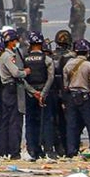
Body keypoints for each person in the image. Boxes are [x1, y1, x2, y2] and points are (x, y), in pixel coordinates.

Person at [0, 29, 32, 159]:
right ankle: (14, 152)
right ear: (11, 42)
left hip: (5, 91)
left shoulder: (1, 56)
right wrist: (25, 72)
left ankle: (3, 150)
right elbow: (16, 73)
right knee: (15, 121)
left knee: (5, 122)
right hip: (11, 90)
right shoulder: (8, 56)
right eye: (15, 41)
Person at [63, 39, 90, 157]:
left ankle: (71, 150)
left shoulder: (68, 65)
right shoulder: (89, 66)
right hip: (86, 97)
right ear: (87, 53)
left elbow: (65, 85)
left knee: (71, 125)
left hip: (71, 97)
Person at [24, 32, 56, 160]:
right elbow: (51, 77)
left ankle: (32, 149)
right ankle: (48, 149)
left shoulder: (25, 59)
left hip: (30, 94)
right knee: (47, 121)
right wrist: (43, 93)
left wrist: (33, 92)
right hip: (44, 93)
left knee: (31, 122)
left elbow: (21, 78)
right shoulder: (47, 59)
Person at [51, 30, 75, 156]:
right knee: (70, 121)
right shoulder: (71, 57)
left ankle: (58, 146)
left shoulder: (51, 56)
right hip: (67, 91)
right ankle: (69, 147)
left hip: (53, 91)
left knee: (55, 120)